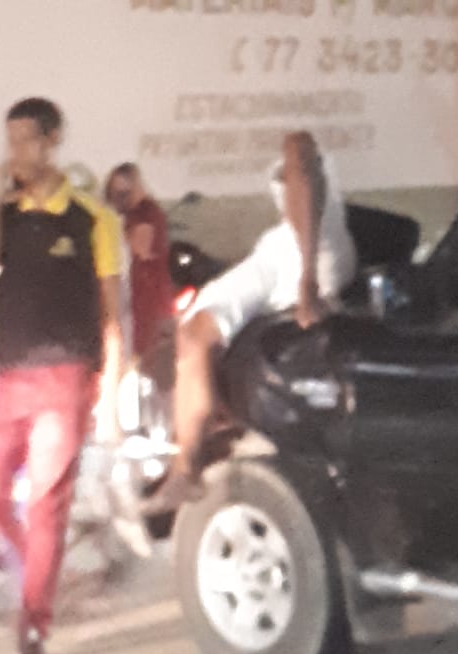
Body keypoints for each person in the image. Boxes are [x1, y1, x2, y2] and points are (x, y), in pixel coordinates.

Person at [142, 131, 356, 514]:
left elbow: (302, 172)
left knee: (195, 334)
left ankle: (187, 465)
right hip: (284, 256)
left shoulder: (299, 149)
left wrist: (307, 282)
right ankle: (203, 433)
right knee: (193, 329)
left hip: (294, 260)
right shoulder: (303, 224)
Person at [0, 97, 122, 654]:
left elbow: (112, 309)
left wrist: (112, 385)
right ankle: (39, 570)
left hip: (66, 374)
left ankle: (34, 623)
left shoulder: (91, 217)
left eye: (27, 139)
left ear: (53, 140)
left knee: (45, 503)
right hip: (12, 374)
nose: (17, 151)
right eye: (10, 140)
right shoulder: (6, 215)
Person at [105, 162, 174, 373]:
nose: (119, 198)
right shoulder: (137, 213)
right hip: (139, 288)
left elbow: (141, 248)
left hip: (148, 290)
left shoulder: (145, 213)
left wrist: (117, 231)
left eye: (123, 192)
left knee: (146, 349)